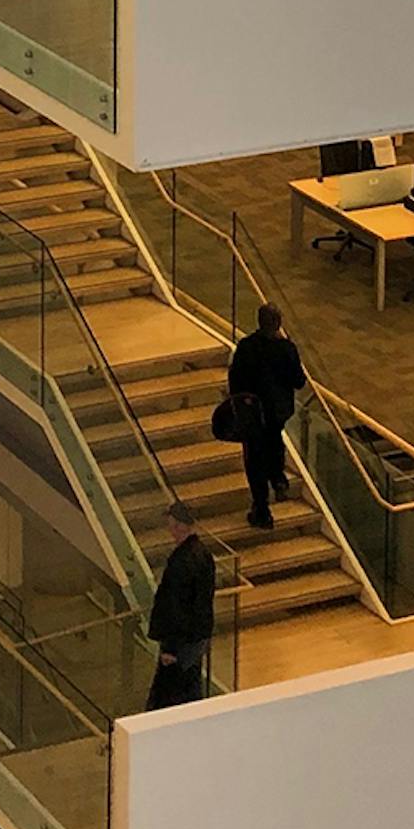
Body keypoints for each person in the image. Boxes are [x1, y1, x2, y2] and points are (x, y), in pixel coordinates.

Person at [226, 302, 306, 531]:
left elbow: (235, 380)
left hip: (253, 414)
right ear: (279, 324)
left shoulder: (246, 347)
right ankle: (278, 479)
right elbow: (299, 381)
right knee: (275, 442)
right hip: (278, 412)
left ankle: (261, 508)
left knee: (254, 459)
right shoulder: (287, 349)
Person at [145, 500, 215, 708]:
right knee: (190, 691)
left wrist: (170, 648)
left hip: (180, 644)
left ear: (179, 525)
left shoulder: (181, 562)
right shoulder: (203, 554)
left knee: (168, 697)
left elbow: (175, 607)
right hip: (196, 638)